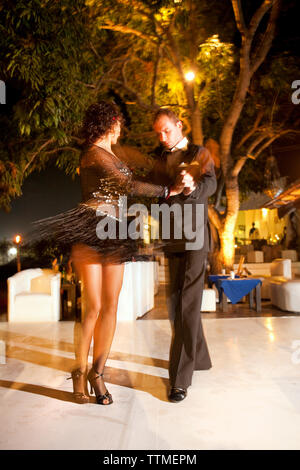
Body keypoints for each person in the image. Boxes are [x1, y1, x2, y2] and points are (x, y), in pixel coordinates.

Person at [64, 101, 186, 405]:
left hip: (115, 231)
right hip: (91, 230)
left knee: (111, 306)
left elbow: (137, 169)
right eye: (118, 125)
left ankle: (98, 372)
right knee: (92, 306)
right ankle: (79, 370)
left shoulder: (114, 153)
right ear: (110, 124)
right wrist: (168, 192)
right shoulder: (92, 153)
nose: (121, 130)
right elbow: (125, 183)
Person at [152, 108, 217, 402]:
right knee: (174, 303)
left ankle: (180, 379)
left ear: (178, 125)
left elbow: (211, 184)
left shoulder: (199, 152)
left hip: (195, 238)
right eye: (158, 132)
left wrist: (192, 188)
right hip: (171, 237)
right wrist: (169, 190)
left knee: (187, 305)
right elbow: (151, 191)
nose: (162, 137)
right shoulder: (156, 156)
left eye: (166, 130)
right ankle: (200, 357)